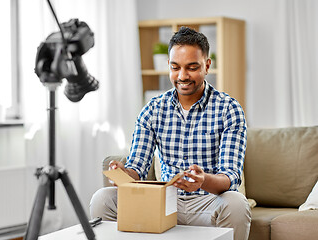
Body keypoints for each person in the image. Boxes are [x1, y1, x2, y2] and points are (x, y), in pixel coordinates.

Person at [90, 27, 251, 240]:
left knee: (237, 204)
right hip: (162, 202)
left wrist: (202, 181)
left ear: (207, 65)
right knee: (103, 198)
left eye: (192, 67)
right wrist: (123, 174)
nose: (182, 76)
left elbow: (230, 178)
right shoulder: (153, 109)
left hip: (207, 203)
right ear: (168, 66)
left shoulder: (228, 109)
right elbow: (137, 168)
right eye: (175, 67)